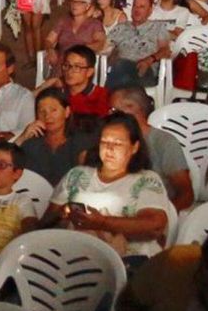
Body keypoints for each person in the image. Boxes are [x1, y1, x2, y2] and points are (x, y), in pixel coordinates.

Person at [40, 111, 169, 266]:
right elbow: (46, 222)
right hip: (74, 259)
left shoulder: (146, 180)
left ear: (134, 147)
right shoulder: (77, 175)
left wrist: (102, 222)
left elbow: (155, 226)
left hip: (129, 263)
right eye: (104, 142)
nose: (109, 149)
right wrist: (65, 213)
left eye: (118, 144)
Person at [108, 86, 194, 211]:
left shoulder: (165, 142)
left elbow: (186, 194)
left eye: (113, 110)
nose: (109, 114)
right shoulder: (110, 139)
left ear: (132, 108)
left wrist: (163, 215)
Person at [13, 89, 94, 186]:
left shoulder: (81, 143)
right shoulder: (31, 144)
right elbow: (5, 167)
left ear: (67, 112)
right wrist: (22, 138)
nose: (47, 116)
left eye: (53, 110)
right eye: (42, 111)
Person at [42, 0, 105, 78]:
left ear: (87, 6)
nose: (74, 5)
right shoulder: (63, 21)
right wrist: (50, 50)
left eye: (79, 2)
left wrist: (79, 49)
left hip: (81, 65)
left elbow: (100, 43)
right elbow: (49, 40)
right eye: (73, 2)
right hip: (62, 64)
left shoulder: (94, 24)